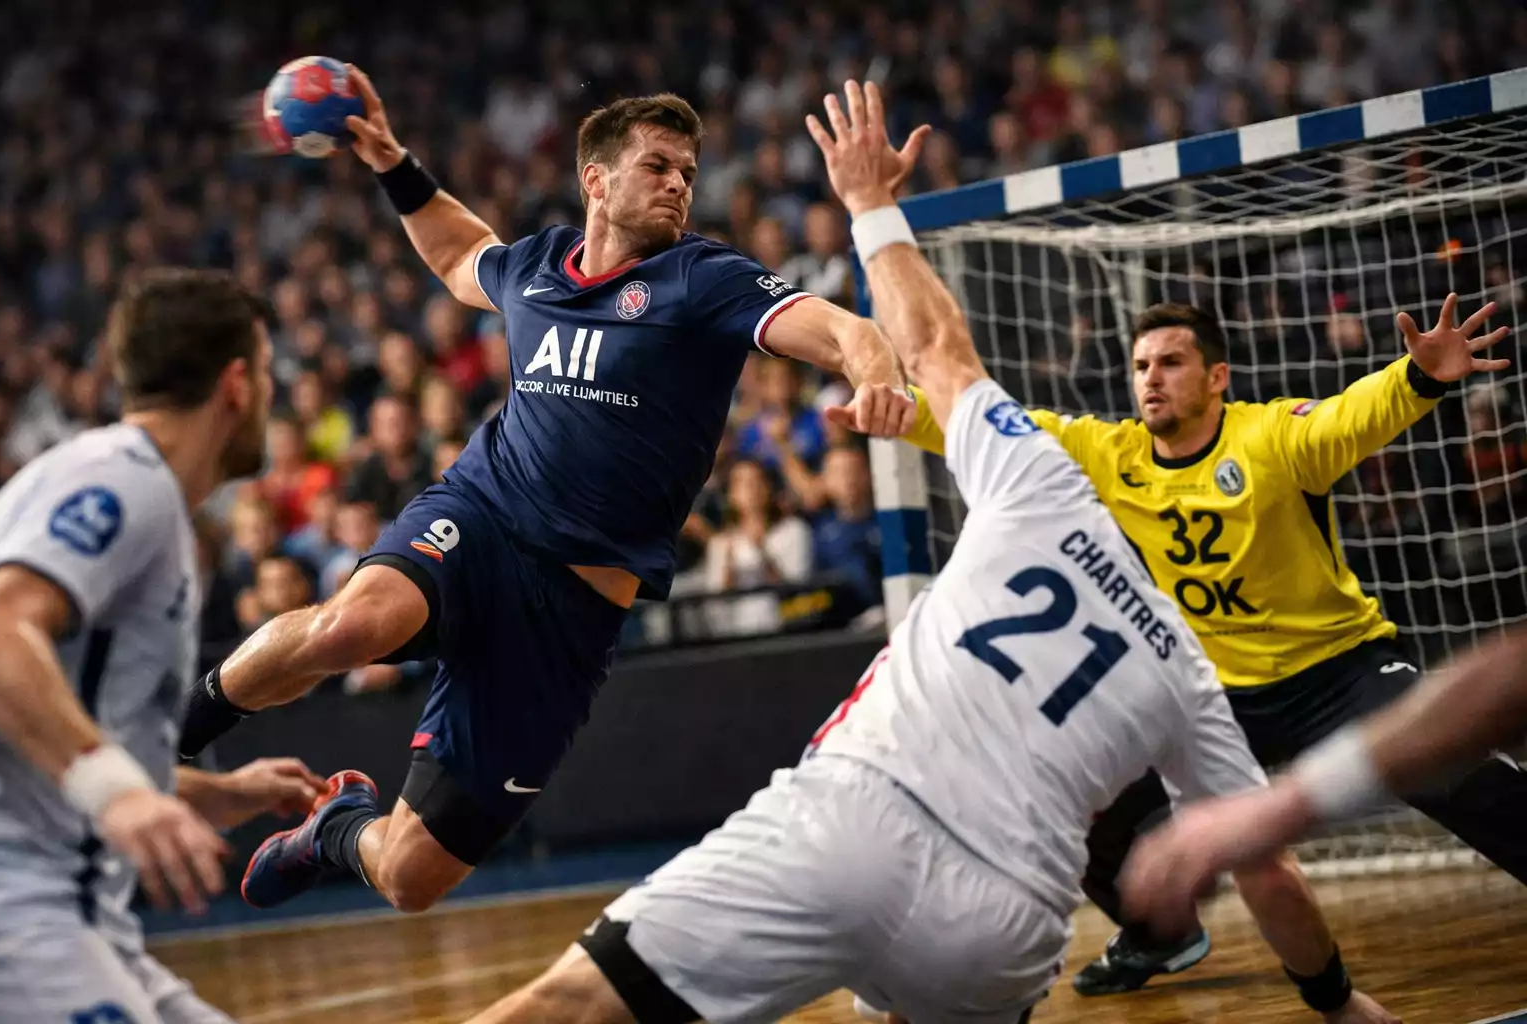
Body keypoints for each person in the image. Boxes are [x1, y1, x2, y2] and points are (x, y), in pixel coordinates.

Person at [455, 79, 1397, 1024]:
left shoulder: (1039, 485)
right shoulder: (1188, 667)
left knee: (571, 1004)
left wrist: (871, 204)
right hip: (1010, 921)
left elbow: (938, 348)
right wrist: (1338, 1001)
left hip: (853, 821)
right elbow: (1267, 873)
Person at [177, 69, 917, 916]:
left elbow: (839, 329)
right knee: (351, 624)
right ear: (595, 180)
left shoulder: (702, 279)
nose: (679, 184)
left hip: (571, 609)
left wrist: (874, 370)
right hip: (484, 519)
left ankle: (336, 827)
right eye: (657, 166)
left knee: (412, 879)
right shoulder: (534, 267)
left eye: (687, 171)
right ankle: (176, 731)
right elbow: (459, 253)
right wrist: (393, 163)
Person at [895, 294, 1522, 993]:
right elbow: (997, 431)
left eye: (1170, 362)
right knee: (1079, 787)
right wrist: (907, 411)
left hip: (1337, 672)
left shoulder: (1272, 437)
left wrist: (1421, 379)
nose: (1150, 379)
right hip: (1212, 695)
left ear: (1217, 377)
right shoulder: (1111, 453)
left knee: (1462, 774)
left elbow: (1351, 414)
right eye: (1140, 366)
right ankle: (1158, 936)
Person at [0, 269, 327, 1023]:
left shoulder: (139, 493)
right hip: (17, 904)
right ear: (237, 384)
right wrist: (121, 796)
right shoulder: (123, 482)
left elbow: (55, 746)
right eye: (270, 374)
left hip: (82, 912)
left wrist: (223, 795)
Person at [1122, 623, 1527, 938]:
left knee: (1465, 780)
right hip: (1221, 690)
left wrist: (1287, 806)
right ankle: (1152, 942)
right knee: (1102, 789)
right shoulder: (1115, 514)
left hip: (1336, 666)